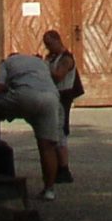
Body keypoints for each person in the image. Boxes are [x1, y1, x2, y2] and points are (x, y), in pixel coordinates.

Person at [0, 52, 66, 201]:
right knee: (47, 147)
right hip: (50, 98)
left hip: (24, 95)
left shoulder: (6, 63)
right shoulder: (40, 63)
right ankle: (49, 190)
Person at [42, 29, 83, 183]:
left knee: (60, 132)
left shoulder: (66, 59)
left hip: (63, 96)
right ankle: (59, 166)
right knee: (54, 131)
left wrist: (43, 69)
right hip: (54, 96)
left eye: (49, 44)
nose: (48, 47)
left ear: (57, 41)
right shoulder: (52, 58)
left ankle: (64, 169)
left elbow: (59, 76)